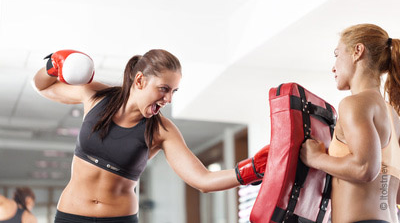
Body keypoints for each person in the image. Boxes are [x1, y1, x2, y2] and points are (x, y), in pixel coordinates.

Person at [33, 49, 269, 222]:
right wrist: (52, 66)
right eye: (164, 89)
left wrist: (250, 171)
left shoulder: (161, 130)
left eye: (174, 92)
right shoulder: (97, 97)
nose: (168, 100)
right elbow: (43, 86)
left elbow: (203, 180)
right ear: (140, 80)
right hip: (70, 216)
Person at [300, 23, 400, 223]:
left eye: (337, 54)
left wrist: (315, 158)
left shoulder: (354, 104)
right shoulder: (392, 115)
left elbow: (364, 168)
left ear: (357, 51)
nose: (333, 66)